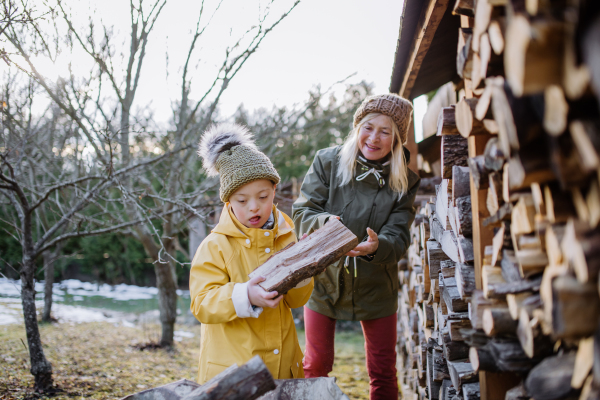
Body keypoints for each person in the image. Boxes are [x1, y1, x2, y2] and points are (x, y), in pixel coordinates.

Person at [292, 94, 420, 399]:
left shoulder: (405, 182)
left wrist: (376, 247)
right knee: (317, 363)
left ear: (397, 139)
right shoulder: (327, 162)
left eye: (385, 131)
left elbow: (398, 236)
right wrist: (326, 225)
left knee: (382, 370)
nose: (374, 138)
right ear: (357, 127)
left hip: (376, 286)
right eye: (368, 127)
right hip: (324, 281)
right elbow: (303, 211)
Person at [190, 123, 314, 383]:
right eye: (242, 201)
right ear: (228, 202)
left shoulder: (286, 235)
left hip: (282, 370)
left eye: (263, 196)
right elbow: (202, 303)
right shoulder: (215, 246)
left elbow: (296, 301)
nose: (254, 208)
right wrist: (244, 295)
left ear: (274, 192)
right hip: (234, 375)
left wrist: (304, 268)